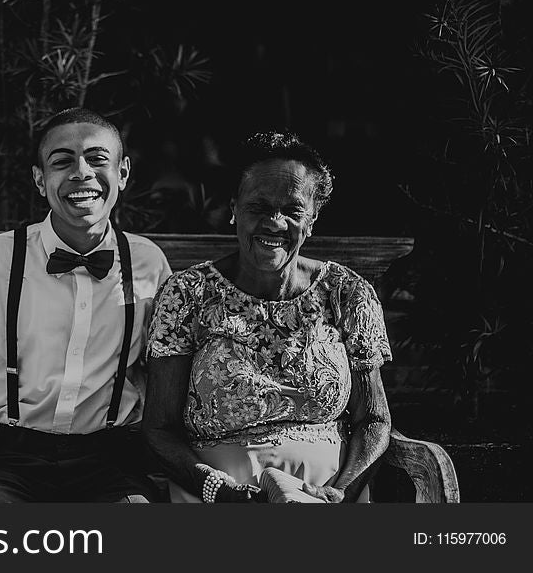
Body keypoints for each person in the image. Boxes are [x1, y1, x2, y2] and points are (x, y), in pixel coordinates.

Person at [0, 107, 172, 502]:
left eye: (97, 159)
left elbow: (166, 373)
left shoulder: (149, 263)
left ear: (123, 173)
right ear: (39, 179)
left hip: (112, 462)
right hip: (12, 461)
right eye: (62, 161)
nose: (81, 172)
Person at [142, 131, 392, 503]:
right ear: (233, 209)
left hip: (325, 496)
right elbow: (159, 429)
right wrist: (220, 490)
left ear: (312, 218)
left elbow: (373, 419)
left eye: (292, 211)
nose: (274, 223)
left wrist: (339, 493)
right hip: (217, 496)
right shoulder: (188, 293)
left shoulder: (347, 293)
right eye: (258, 207)